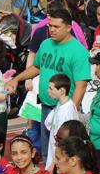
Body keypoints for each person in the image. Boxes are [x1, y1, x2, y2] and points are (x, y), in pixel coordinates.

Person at [6, 9, 91, 164]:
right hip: (46, 106)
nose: (51, 29)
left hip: (63, 110)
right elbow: (37, 67)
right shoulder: (45, 44)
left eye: (56, 27)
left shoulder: (78, 51)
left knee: (64, 153)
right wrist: (16, 79)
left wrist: (72, 111)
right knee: (47, 152)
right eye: (50, 26)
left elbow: (81, 85)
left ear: (68, 27)